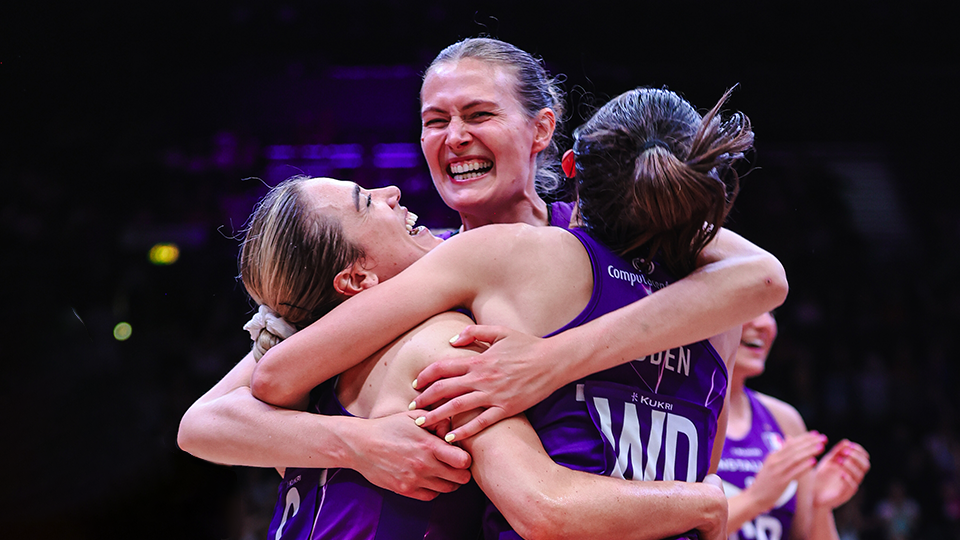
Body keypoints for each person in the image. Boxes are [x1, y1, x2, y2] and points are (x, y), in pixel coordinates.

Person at [179, 37, 785, 503]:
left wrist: (554, 359)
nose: (456, 137)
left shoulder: (616, 223)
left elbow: (760, 278)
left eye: (479, 115)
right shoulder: (400, 265)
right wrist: (359, 446)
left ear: (543, 129)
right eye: (436, 122)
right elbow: (207, 422)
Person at [227, 174, 729, 539]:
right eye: (365, 201)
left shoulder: (305, 379)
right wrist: (703, 501)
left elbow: (215, 417)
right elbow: (543, 506)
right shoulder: (436, 340)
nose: (391, 192)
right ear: (358, 279)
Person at [717, 312, 871, 540]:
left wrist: (820, 506)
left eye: (770, 312)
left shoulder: (785, 419)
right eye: (749, 308)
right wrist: (755, 499)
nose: (764, 323)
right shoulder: (676, 413)